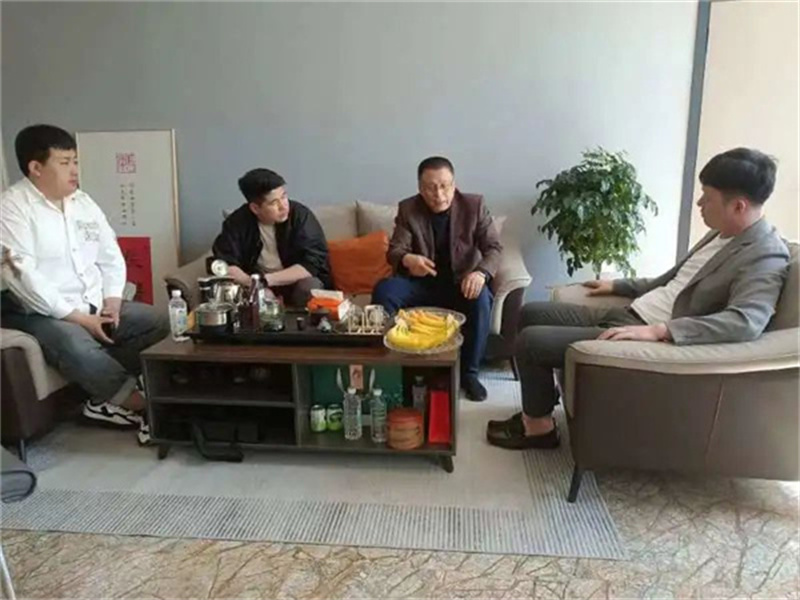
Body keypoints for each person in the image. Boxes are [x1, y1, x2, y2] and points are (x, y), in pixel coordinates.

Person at [487, 147, 791, 450]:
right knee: (530, 312)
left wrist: (661, 331)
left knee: (531, 343)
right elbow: (675, 280)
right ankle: (540, 406)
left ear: (738, 206)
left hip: (647, 332)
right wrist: (617, 286)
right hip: (633, 312)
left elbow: (746, 321)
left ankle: (539, 430)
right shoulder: (722, 233)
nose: (699, 203)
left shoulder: (765, 254)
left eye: (707, 197)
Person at [0, 124, 169, 429]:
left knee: (159, 322)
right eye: (65, 162)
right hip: (39, 311)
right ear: (36, 168)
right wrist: (79, 318)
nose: (75, 170)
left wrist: (112, 301)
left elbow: (110, 254)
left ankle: (100, 400)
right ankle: (138, 404)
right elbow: (23, 277)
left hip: (93, 302)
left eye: (75, 161)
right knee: (74, 341)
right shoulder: (11, 208)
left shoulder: (83, 202)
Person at [372, 156, 503, 402]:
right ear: (420, 188)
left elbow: (494, 248)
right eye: (431, 188)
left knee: (481, 299)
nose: (439, 194)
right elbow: (395, 251)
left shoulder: (474, 205)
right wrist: (408, 260)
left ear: (454, 184)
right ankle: (394, 365)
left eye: (445, 186)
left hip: (461, 285)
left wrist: (480, 273)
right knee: (385, 290)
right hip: (422, 284)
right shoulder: (409, 209)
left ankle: (470, 374)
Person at [212, 168, 331, 306]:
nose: (283, 206)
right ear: (255, 208)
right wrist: (254, 285)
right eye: (274, 202)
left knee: (308, 287)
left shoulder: (300, 216)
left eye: (284, 196)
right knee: (248, 295)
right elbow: (226, 262)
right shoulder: (237, 222)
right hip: (256, 282)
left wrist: (266, 280)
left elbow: (312, 263)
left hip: (296, 280)